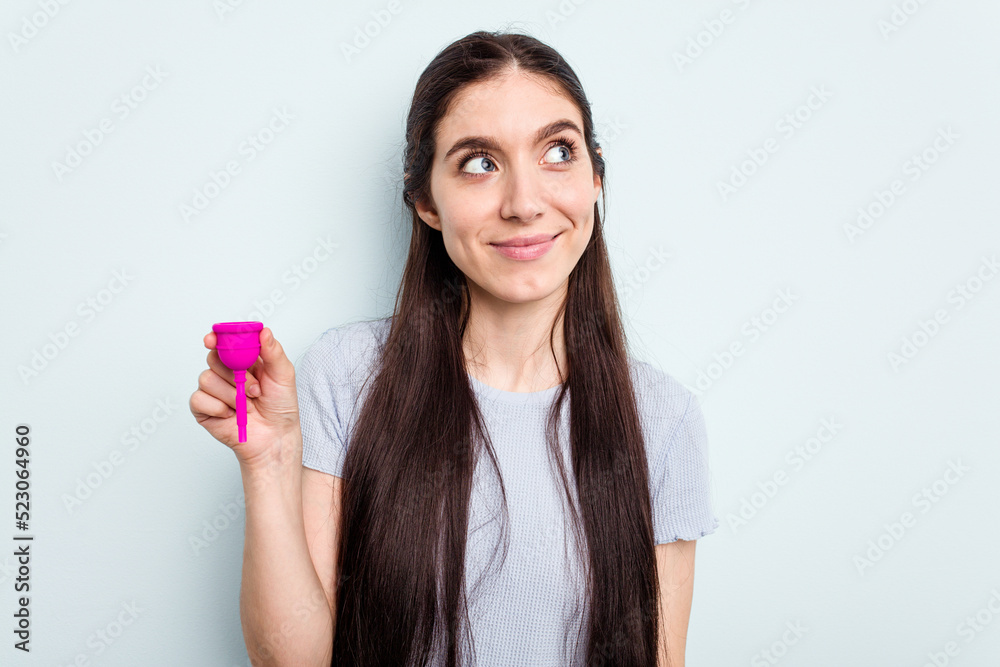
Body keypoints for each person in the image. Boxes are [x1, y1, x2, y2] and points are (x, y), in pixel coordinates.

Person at [190, 29, 718, 667]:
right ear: (425, 202)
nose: (525, 203)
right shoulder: (347, 376)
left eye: (558, 151)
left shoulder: (663, 419)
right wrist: (269, 464)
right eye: (479, 163)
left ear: (596, 177)